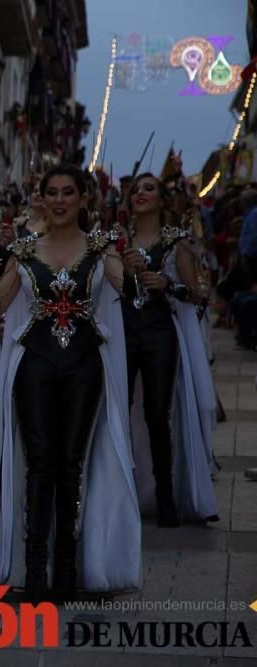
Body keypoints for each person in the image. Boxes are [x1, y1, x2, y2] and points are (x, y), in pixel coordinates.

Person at [0, 163, 140, 600]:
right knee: (40, 462)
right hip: (35, 365)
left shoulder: (102, 248)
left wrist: (134, 269)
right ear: (42, 199)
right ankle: (33, 570)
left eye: (70, 192)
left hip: (86, 365)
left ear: (83, 199)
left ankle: (66, 569)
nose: (62, 200)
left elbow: (131, 293)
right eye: (53, 192)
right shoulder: (26, 251)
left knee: (71, 465)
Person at [120, 173, 219, 526]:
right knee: (118, 412)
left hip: (159, 332)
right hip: (124, 332)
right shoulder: (118, 241)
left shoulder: (177, 243)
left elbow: (196, 295)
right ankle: (122, 493)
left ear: (162, 199)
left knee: (157, 413)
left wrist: (166, 283)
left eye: (149, 189)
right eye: (136, 190)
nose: (141, 194)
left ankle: (165, 497)